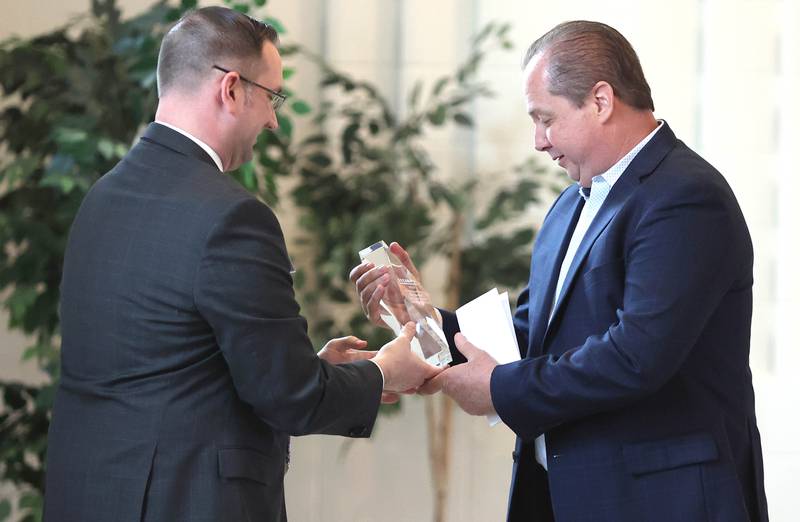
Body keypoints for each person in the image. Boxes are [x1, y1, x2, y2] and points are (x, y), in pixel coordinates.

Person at [352, 20, 768, 522]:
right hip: (565, 492)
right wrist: (428, 322)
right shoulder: (570, 204)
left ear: (600, 100)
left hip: (661, 500)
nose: (538, 141)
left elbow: (637, 357)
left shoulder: (686, 197)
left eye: (544, 119)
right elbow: (532, 334)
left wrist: (499, 389)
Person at [43, 7, 439, 522]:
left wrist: (307, 367)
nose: (274, 119)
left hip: (88, 495)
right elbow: (289, 397)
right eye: (272, 97)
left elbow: (167, 365)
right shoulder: (233, 217)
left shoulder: (102, 197)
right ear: (231, 88)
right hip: (184, 502)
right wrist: (383, 372)